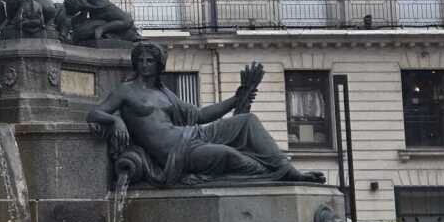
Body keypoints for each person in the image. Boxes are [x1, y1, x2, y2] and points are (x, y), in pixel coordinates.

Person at [88, 41, 326, 187]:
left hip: (192, 134)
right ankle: (275, 175)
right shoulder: (126, 91)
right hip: (176, 153)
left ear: (159, 65)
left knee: (246, 121)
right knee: (227, 155)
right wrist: (115, 119)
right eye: (140, 60)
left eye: (150, 60)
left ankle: (290, 171)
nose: (144, 64)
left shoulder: (166, 94)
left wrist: (238, 96)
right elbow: (95, 113)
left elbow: (201, 115)